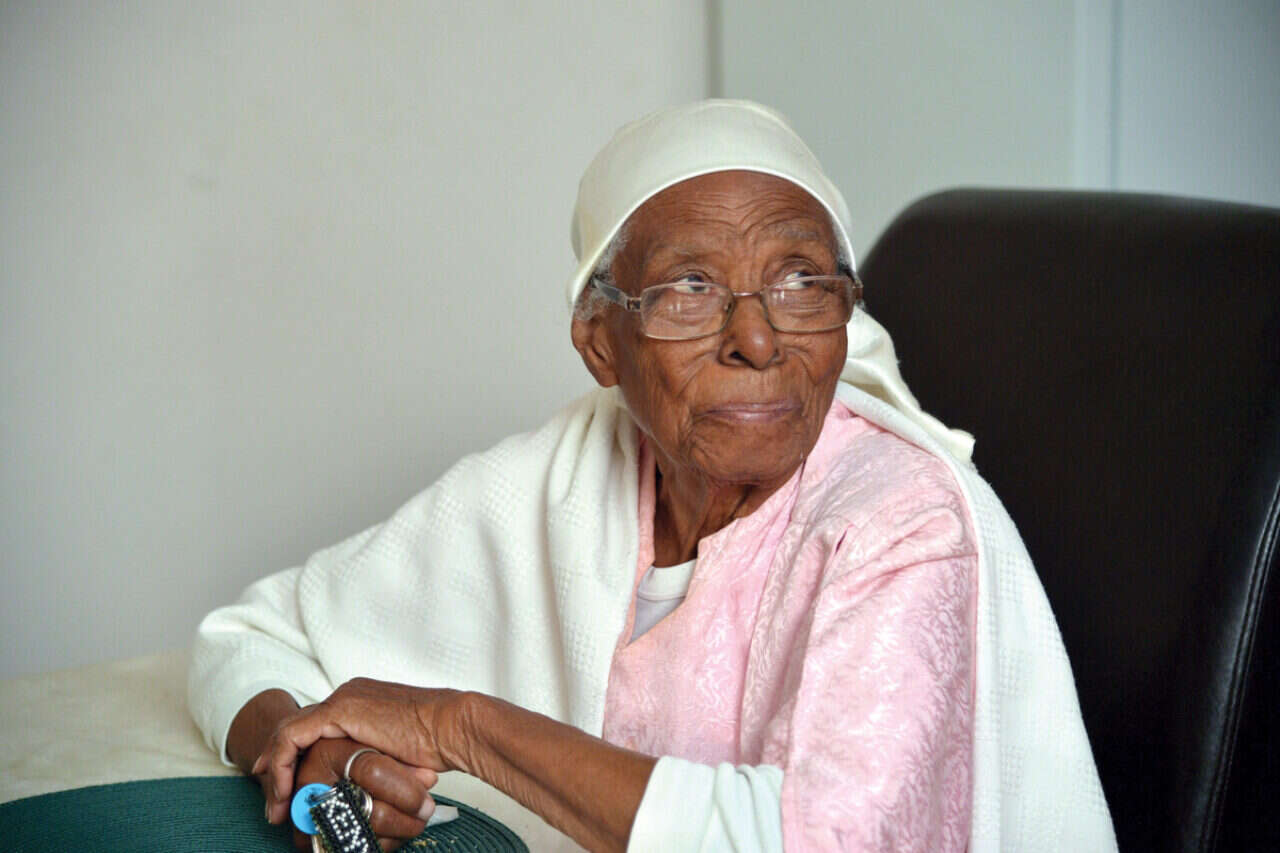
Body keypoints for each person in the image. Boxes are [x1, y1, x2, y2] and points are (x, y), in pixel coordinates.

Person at [190, 100, 1116, 852]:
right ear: (601, 343)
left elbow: (821, 842)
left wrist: (459, 727)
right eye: (690, 289)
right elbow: (249, 636)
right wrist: (322, 754)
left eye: (800, 281)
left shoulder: (902, 520)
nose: (756, 340)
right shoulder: (564, 477)